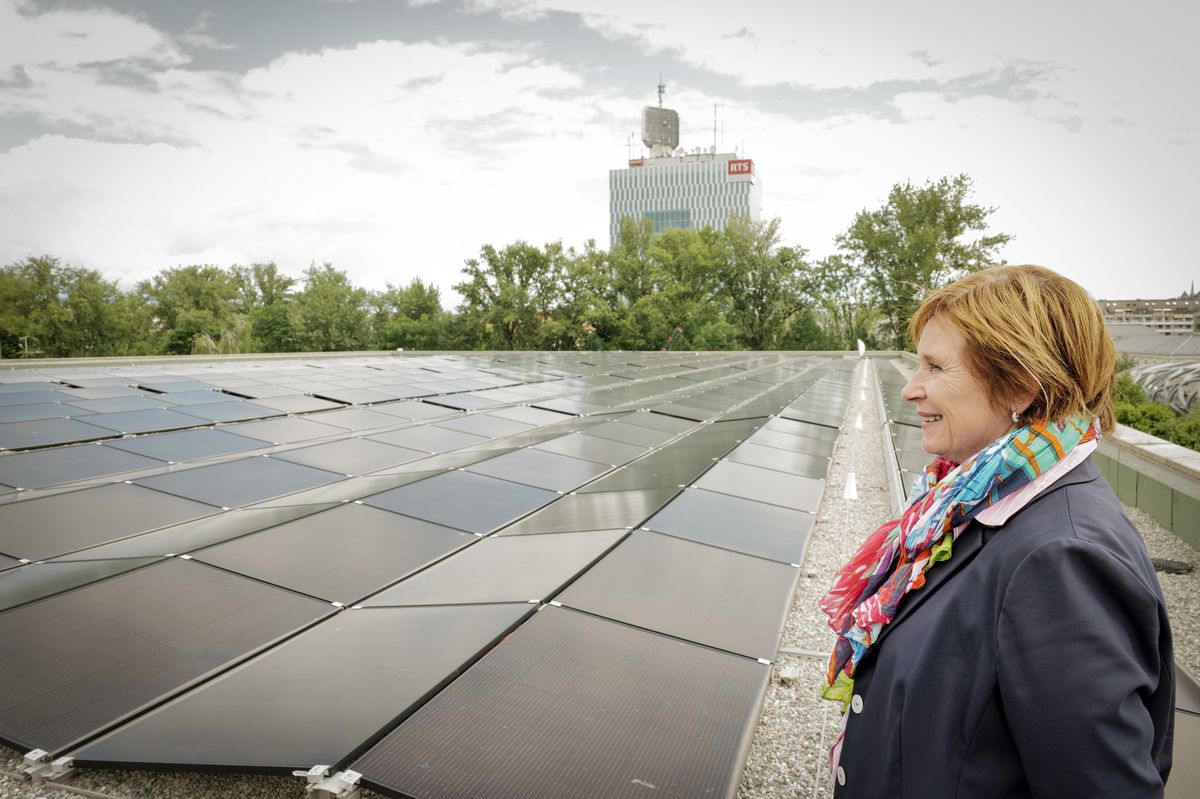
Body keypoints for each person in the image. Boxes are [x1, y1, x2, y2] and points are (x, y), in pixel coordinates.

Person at [819, 265, 1174, 798]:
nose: (911, 389)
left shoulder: (1060, 559)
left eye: (936, 367)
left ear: (1021, 387)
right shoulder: (968, 503)